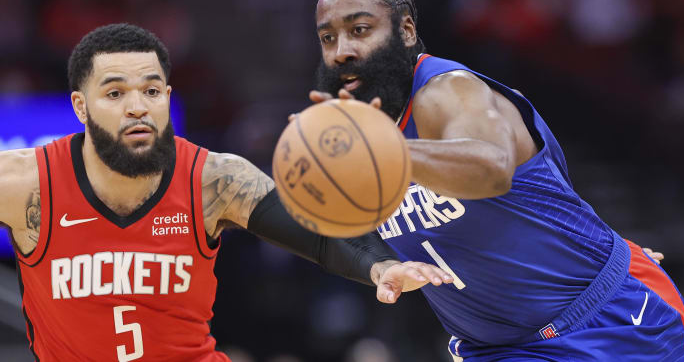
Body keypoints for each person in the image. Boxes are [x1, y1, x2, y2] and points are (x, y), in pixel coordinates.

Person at [308, 0, 684, 361]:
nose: (341, 49)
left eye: (359, 29)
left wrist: (382, 152)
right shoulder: (357, 135)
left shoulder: (448, 91)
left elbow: (490, 169)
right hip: (495, 350)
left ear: (406, 31)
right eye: (328, 38)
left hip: (607, 324)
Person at [0, 23, 452, 361]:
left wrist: (380, 265)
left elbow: (313, 233)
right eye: (115, 93)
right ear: (80, 106)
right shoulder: (24, 183)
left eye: (151, 90)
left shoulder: (211, 179)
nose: (137, 106)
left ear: (167, 96)